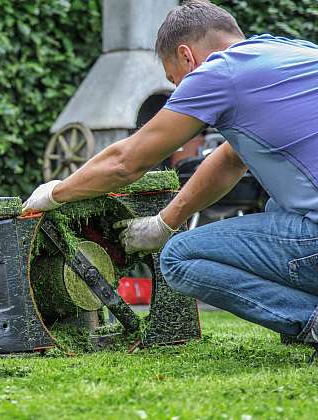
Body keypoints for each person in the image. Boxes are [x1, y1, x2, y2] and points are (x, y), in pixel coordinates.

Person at [22, 0, 318, 356]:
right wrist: (165, 222)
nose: (178, 90)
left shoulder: (219, 73)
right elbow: (230, 159)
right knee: (277, 205)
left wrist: (56, 192)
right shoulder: (289, 49)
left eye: (174, 78)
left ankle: (308, 319)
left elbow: (125, 162)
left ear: (187, 56)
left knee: (177, 258)